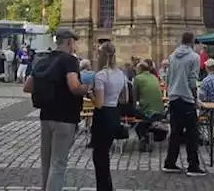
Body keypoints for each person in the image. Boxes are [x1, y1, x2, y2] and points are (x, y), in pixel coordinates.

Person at [25, 29, 88, 191]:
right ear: (69, 42)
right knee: (58, 164)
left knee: (46, 162)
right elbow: (74, 86)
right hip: (65, 117)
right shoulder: (70, 60)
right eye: (74, 42)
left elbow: (27, 87)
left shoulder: (42, 60)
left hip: (45, 116)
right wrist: (87, 89)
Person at [163, 31, 206, 176]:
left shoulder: (172, 56)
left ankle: (169, 163)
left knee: (175, 132)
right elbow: (192, 80)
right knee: (192, 134)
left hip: (174, 98)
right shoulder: (194, 57)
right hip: (187, 99)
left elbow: (168, 78)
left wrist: (170, 92)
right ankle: (193, 165)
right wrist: (196, 99)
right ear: (192, 41)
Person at [90, 41, 127, 191]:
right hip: (114, 113)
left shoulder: (101, 75)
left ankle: (104, 187)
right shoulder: (121, 74)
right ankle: (107, 187)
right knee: (104, 153)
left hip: (103, 115)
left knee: (99, 156)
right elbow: (124, 99)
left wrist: (90, 95)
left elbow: (98, 103)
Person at [132, 60, 165, 151]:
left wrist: (134, 107)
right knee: (145, 119)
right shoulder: (154, 77)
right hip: (160, 110)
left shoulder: (138, 78)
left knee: (136, 118)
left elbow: (135, 97)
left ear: (140, 69)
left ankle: (143, 136)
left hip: (147, 110)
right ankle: (149, 132)